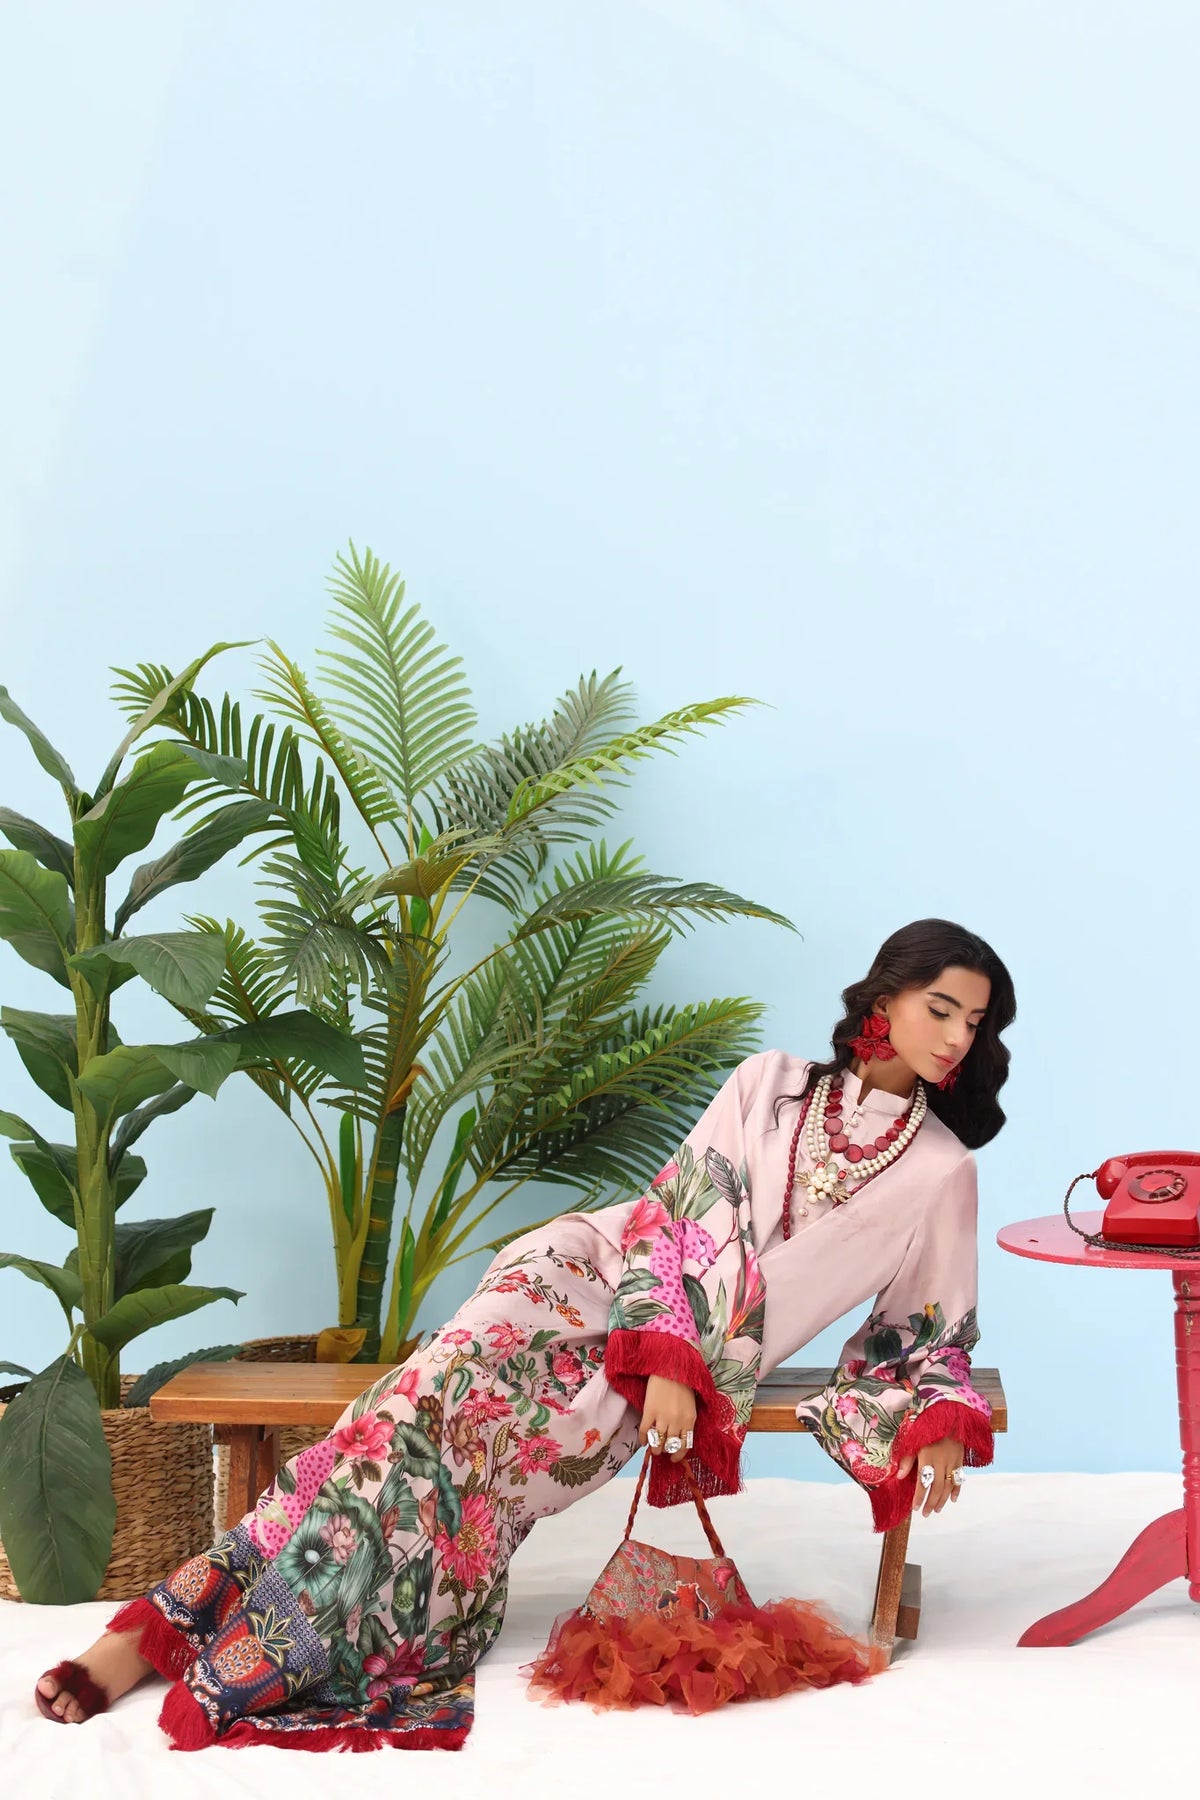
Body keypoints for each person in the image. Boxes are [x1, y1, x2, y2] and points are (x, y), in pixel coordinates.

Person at [35, 916, 1014, 1748]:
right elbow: (675, 1217)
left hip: (659, 1372)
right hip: (594, 1274)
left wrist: (931, 1416)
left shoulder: (942, 1173)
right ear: (884, 999)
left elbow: (922, 1332)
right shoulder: (772, 1082)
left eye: (974, 1023)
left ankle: (236, 1630)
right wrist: (667, 1355)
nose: (957, 1037)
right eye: (942, 1009)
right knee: (422, 1398)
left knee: (464, 1443)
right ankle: (174, 1628)